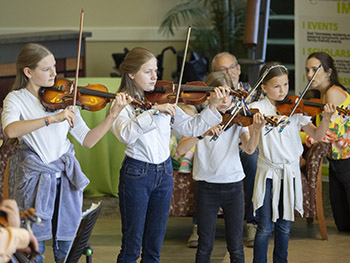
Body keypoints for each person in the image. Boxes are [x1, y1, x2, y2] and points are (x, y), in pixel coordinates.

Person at [1, 43, 131, 263]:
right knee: (34, 248)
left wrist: (112, 115)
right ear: (28, 72)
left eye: (54, 67)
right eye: (46, 69)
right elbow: (10, 130)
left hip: (64, 179)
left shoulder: (65, 99)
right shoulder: (16, 98)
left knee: (66, 245)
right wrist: (51, 119)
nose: (54, 73)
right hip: (34, 179)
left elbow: (88, 140)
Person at [110, 47, 227, 263]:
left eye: (156, 70)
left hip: (164, 173)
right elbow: (125, 134)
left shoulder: (165, 98)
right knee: (131, 247)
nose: (155, 77)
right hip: (136, 173)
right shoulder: (121, 104)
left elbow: (192, 128)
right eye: (148, 72)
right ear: (131, 74)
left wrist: (212, 106)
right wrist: (154, 112)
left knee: (154, 248)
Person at [250, 62, 336, 263]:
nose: (283, 91)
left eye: (286, 85)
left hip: (289, 173)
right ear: (263, 88)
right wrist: (256, 127)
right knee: (264, 227)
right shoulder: (257, 109)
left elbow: (317, 135)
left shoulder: (297, 108)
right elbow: (250, 147)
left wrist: (326, 119)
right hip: (268, 173)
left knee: (284, 226)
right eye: (277, 86)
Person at [177, 71, 265, 263]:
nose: (225, 100)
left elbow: (250, 149)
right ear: (208, 95)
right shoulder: (199, 120)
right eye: (219, 95)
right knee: (204, 244)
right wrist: (202, 133)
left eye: (229, 94)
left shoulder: (237, 120)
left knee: (235, 246)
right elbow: (180, 149)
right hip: (206, 187)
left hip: (233, 186)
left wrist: (256, 130)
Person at [210, 52, 262, 247]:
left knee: (252, 159)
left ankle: (251, 222)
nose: (228, 72)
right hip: (217, 143)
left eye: (231, 67)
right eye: (222, 70)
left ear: (239, 69)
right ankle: (199, 225)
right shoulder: (212, 92)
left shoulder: (254, 92)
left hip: (244, 143)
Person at [305, 52, 350, 232]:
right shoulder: (321, 96)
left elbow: (329, 134)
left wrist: (300, 136)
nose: (309, 75)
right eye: (307, 70)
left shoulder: (333, 93)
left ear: (328, 72)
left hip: (347, 161)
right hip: (336, 162)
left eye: (315, 70)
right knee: (343, 224)